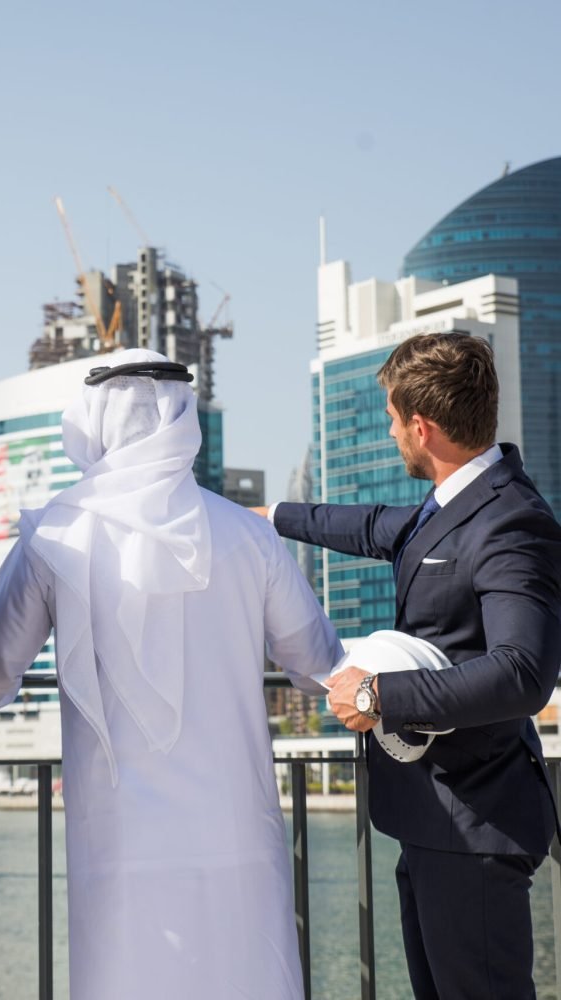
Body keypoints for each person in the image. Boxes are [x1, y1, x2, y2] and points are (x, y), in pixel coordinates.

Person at [0, 348, 344, 1000]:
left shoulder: (54, 534)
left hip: (119, 837)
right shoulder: (250, 535)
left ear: (95, 418)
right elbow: (320, 665)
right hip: (235, 834)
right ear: (182, 415)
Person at [255, 332, 561, 999]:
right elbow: (368, 525)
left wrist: (375, 695)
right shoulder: (446, 508)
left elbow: (523, 672)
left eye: (394, 420)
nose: (391, 431)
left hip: (477, 825)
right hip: (433, 818)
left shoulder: (513, 523)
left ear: (422, 428)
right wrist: (264, 517)